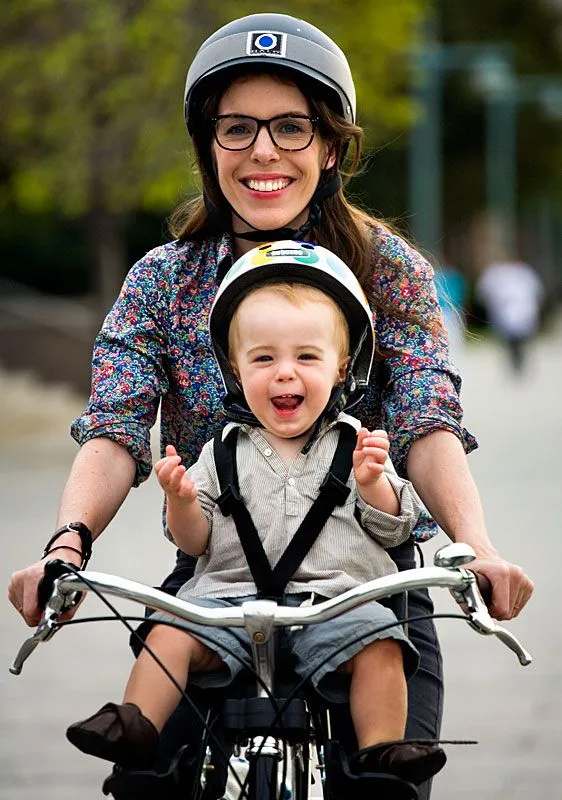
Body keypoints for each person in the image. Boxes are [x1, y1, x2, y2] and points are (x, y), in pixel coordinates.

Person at [8, 13, 533, 800]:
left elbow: (427, 417)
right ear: (207, 146)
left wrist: (477, 546)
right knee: (143, 775)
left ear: (331, 147)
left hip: (369, 580)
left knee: (387, 783)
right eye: (238, 128)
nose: (263, 151)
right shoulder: (163, 278)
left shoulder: (391, 271)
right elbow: (116, 427)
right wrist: (67, 543)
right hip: (219, 574)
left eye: (292, 127)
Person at [65, 242, 448, 786]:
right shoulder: (220, 452)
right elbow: (195, 542)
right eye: (263, 358)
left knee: (383, 643)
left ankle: (383, 751)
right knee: (169, 628)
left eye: (307, 358)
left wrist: (372, 485)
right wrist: (179, 499)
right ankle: (136, 726)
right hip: (229, 604)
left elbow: (393, 528)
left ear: (342, 369)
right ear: (235, 369)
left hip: (338, 604)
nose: (284, 374)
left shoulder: (357, 447)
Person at [475, 258, 544, 373]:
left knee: (521, 341)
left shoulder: (525, 274)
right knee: (510, 342)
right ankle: (515, 364)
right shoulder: (497, 275)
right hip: (507, 318)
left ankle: (519, 364)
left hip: (523, 317)